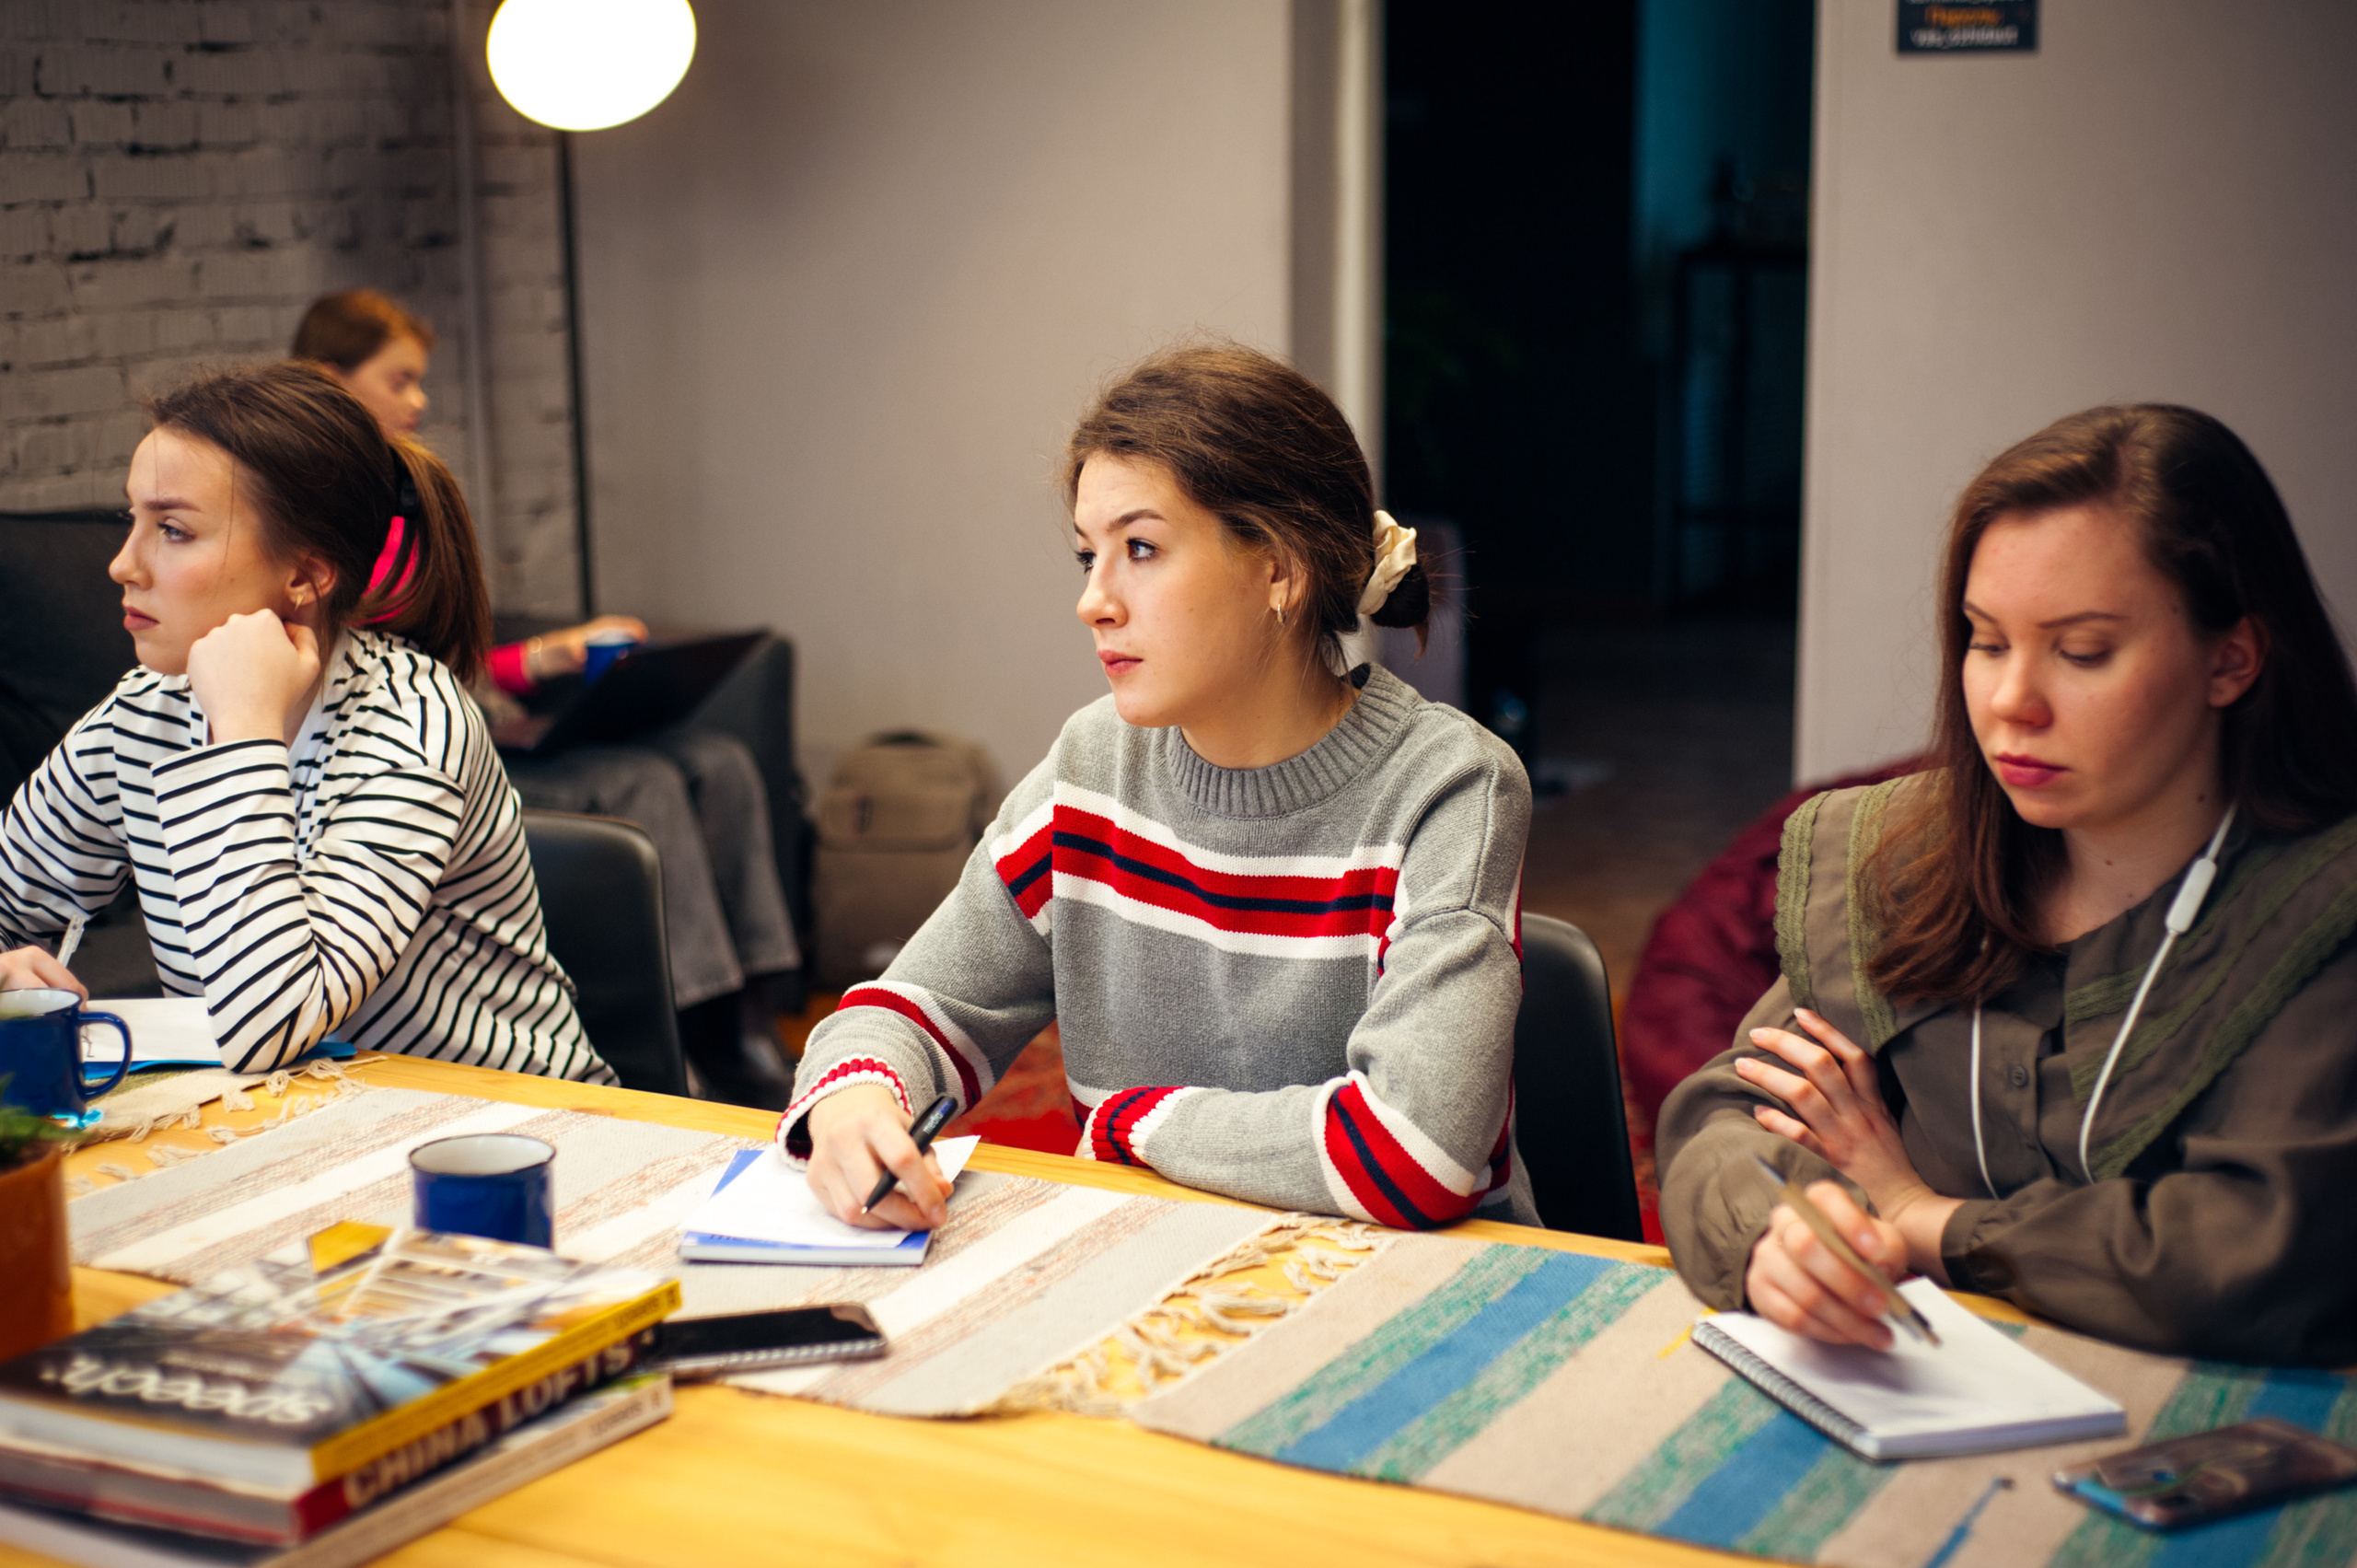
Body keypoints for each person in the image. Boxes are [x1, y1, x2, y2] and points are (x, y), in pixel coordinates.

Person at [1656, 403, 2357, 1365]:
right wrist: (1780, 1233)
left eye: (2080, 652)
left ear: (2229, 659)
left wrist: (1924, 1218)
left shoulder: (2323, 909)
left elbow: (2246, 1255)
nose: (2010, 702)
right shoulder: (1894, 857)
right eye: (1986, 641)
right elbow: (1721, 1116)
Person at [786, 343, 1535, 1234]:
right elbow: (908, 1008)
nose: (1093, 600)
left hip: (1417, 1303)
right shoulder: (1090, 770)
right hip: (1162, 1276)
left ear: (1280, 570)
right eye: (1086, 556)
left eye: (1140, 548)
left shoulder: (1451, 788)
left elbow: (1414, 1149)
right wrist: (855, 1102)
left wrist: (1140, 1123)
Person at [0, 361, 608, 1081]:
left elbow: (271, 1024)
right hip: (289, 1122)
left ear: (305, 576)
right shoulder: (143, 711)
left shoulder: (414, 725)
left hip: (521, 1131)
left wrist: (245, 728)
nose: (122, 564)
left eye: (171, 529)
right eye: (130, 520)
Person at [292, 290, 801, 1108]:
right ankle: (685, 1036)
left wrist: (550, 656)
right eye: (401, 379)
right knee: (649, 784)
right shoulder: (317, 531)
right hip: (446, 747)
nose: (419, 401)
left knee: (721, 759)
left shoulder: (406, 504)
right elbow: (396, 671)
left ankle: (749, 1016)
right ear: (328, 377)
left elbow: (450, 651)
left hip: (479, 709)